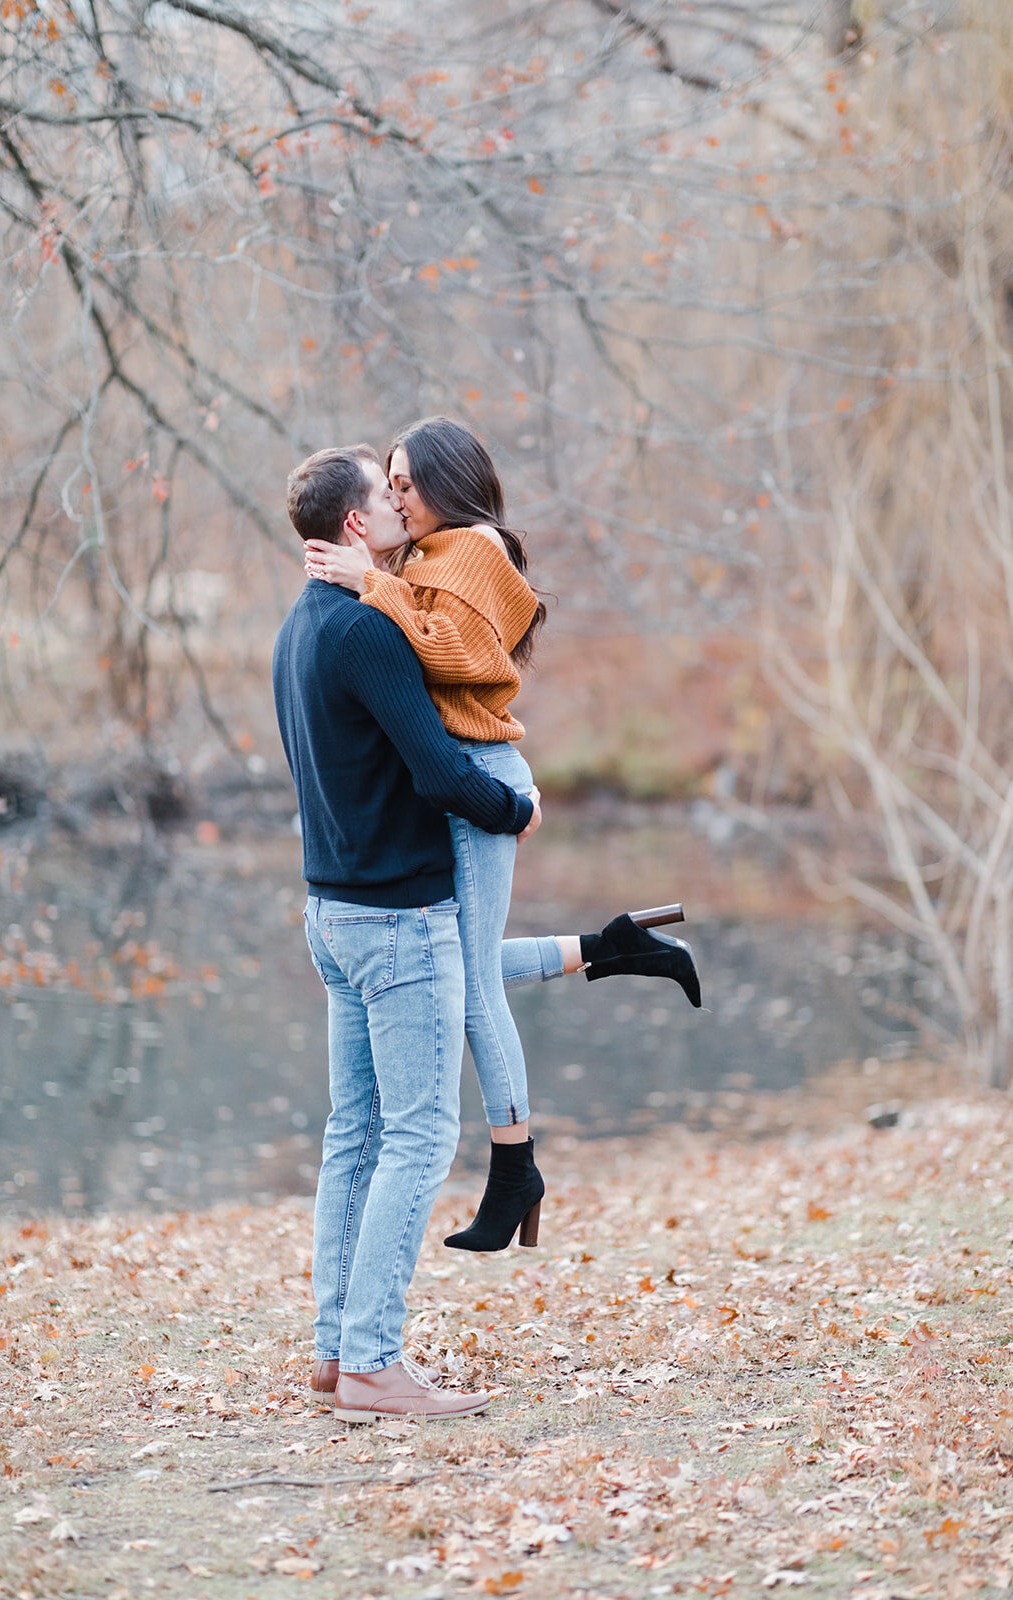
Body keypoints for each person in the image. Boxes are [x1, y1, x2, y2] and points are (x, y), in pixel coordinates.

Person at [303, 416, 701, 1255]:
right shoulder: (432, 555)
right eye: (391, 483)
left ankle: (514, 1161)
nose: (399, 497)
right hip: (464, 777)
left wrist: (369, 583)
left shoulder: (476, 547)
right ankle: (613, 947)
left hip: (481, 778)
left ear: (448, 480)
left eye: (408, 482)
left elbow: (456, 654)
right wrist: (378, 577)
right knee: (464, 963)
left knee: (471, 983)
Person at [273, 442, 542, 1423]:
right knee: (418, 1138)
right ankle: (375, 1362)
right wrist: (512, 812)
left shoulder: (298, 629)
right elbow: (436, 771)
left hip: (329, 912)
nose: (398, 508)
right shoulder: (366, 631)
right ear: (353, 528)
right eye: (383, 499)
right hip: (395, 918)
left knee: (354, 1137)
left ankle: (333, 1353)